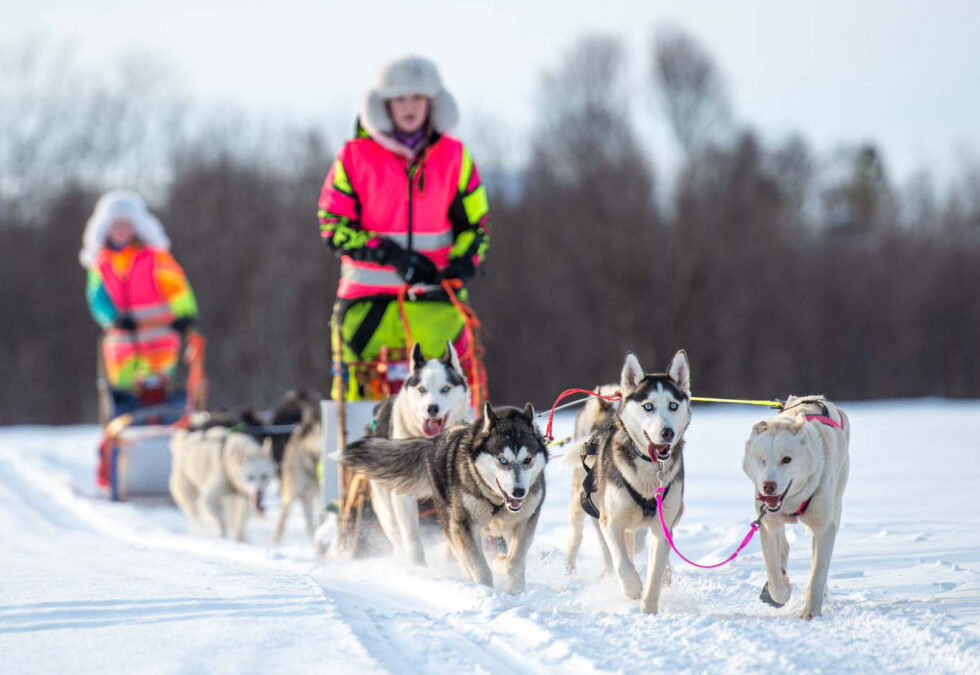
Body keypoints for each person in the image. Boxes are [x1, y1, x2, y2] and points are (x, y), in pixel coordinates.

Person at [317, 56, 489, 401]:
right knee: (358, 416)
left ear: (431, 103)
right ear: (385, 104)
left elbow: (476, 227)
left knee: (450, 412)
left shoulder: (455, 156)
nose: (409, 107)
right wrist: (390, 255)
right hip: (366, 313)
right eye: (400, 98)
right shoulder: (353, 157)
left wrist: (461, 263)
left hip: (438, 306)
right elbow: (332, 224)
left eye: (417, 98)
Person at [80, 190, 199, 414]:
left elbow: (177, 287)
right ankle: (125, 426)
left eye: (126, 225)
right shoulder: (101, 263)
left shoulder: (155, 256)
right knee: (124, 391)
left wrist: (185, 314)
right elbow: (97, 297)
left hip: (160, 335)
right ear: (106, 228)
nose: (121, 231)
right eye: (116, 225)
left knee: (160, 389)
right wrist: (112, 319)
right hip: (122, 341)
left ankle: (166, 422)